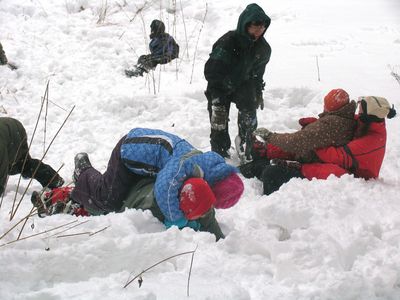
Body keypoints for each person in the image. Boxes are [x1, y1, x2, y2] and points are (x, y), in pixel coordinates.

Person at [70, 128, 244, 232]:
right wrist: (176, 220)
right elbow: (164, 189)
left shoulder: (207, 169)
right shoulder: (185, 167)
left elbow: (206, 209)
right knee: (107, 198)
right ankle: (83, 171)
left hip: (149, 161)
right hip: (129, 153)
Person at [244, 96, 396, 195]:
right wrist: (315, 128)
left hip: (351, 178)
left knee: (273, 171)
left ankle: (270, 200)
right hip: (339, 164)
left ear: (368, 114)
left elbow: (335, 156)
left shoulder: (370, 142)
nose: (357, 109)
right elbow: (338, 125)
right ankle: (264, 154)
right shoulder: (367, 123)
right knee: (293, 151)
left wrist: (312, 139)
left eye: (361, 107)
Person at [31, 176, 226, 240]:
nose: (205, 214)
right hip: (128, 198)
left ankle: (68, 200)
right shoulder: (155, 207)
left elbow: (214, 231)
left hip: (141, 184)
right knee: (97, 207)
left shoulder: (200, 202)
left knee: (92, 202)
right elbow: (127, 219)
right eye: (200, 212)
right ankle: (56, 198)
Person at [204, 3, 271, 160]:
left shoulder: (263, 49)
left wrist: (257, 93)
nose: (259, 30)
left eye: (262, 27)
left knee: (250, 115)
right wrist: (223, 87)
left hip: (243, 84)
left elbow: (257, 75)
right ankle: (220, 154)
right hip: (219, 84)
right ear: (246, 24)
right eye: (255, 26)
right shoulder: (228, 42)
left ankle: (247, 149)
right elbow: (211, 71)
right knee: (218, 121)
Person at [0, 117, 64, 196]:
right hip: (7, 128)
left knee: (23, 165)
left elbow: (2, 168)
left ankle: (53, 180)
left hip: (14, 131)